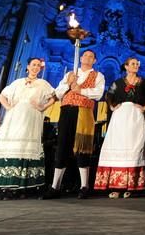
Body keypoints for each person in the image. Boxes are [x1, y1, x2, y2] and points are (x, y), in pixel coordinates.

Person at [0, 58, 55, 199]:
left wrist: (42, 107)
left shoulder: (43, 84)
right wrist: (8, 107)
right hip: (14, 118)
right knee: (8, 146)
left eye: (38, 66)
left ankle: (18, 186)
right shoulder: (17, 82)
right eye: (33, 65)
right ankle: (0, 185)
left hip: (31, 118)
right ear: (28, 66)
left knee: (24, 147)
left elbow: (54, 97)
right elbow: (2, 95)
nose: (36, 67)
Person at [42, 50, 105, 200]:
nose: (88, 58)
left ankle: (84, 186)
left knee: (82, 147)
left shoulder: (98, 75)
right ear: (81, 58)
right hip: (67, 111)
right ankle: (55, 186)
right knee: (63, 146)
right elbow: (58, 92)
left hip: (83, 111)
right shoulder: (70, 74)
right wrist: (69, 84)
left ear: (94, 61)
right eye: (86, 56)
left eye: (91, 56)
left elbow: (98, 93)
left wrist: (81, 90)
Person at [94, 57, 145, 197]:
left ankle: (132, 185)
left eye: (137, 64)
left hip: (136, 116)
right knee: (118, 145)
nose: (136, 66)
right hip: (120, 116)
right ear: (126, 67)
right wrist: (112, 106)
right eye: (133, 64)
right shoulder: (118, 83)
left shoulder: (144, 83)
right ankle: (115, 186)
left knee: (135, 147)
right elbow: (109, 95)